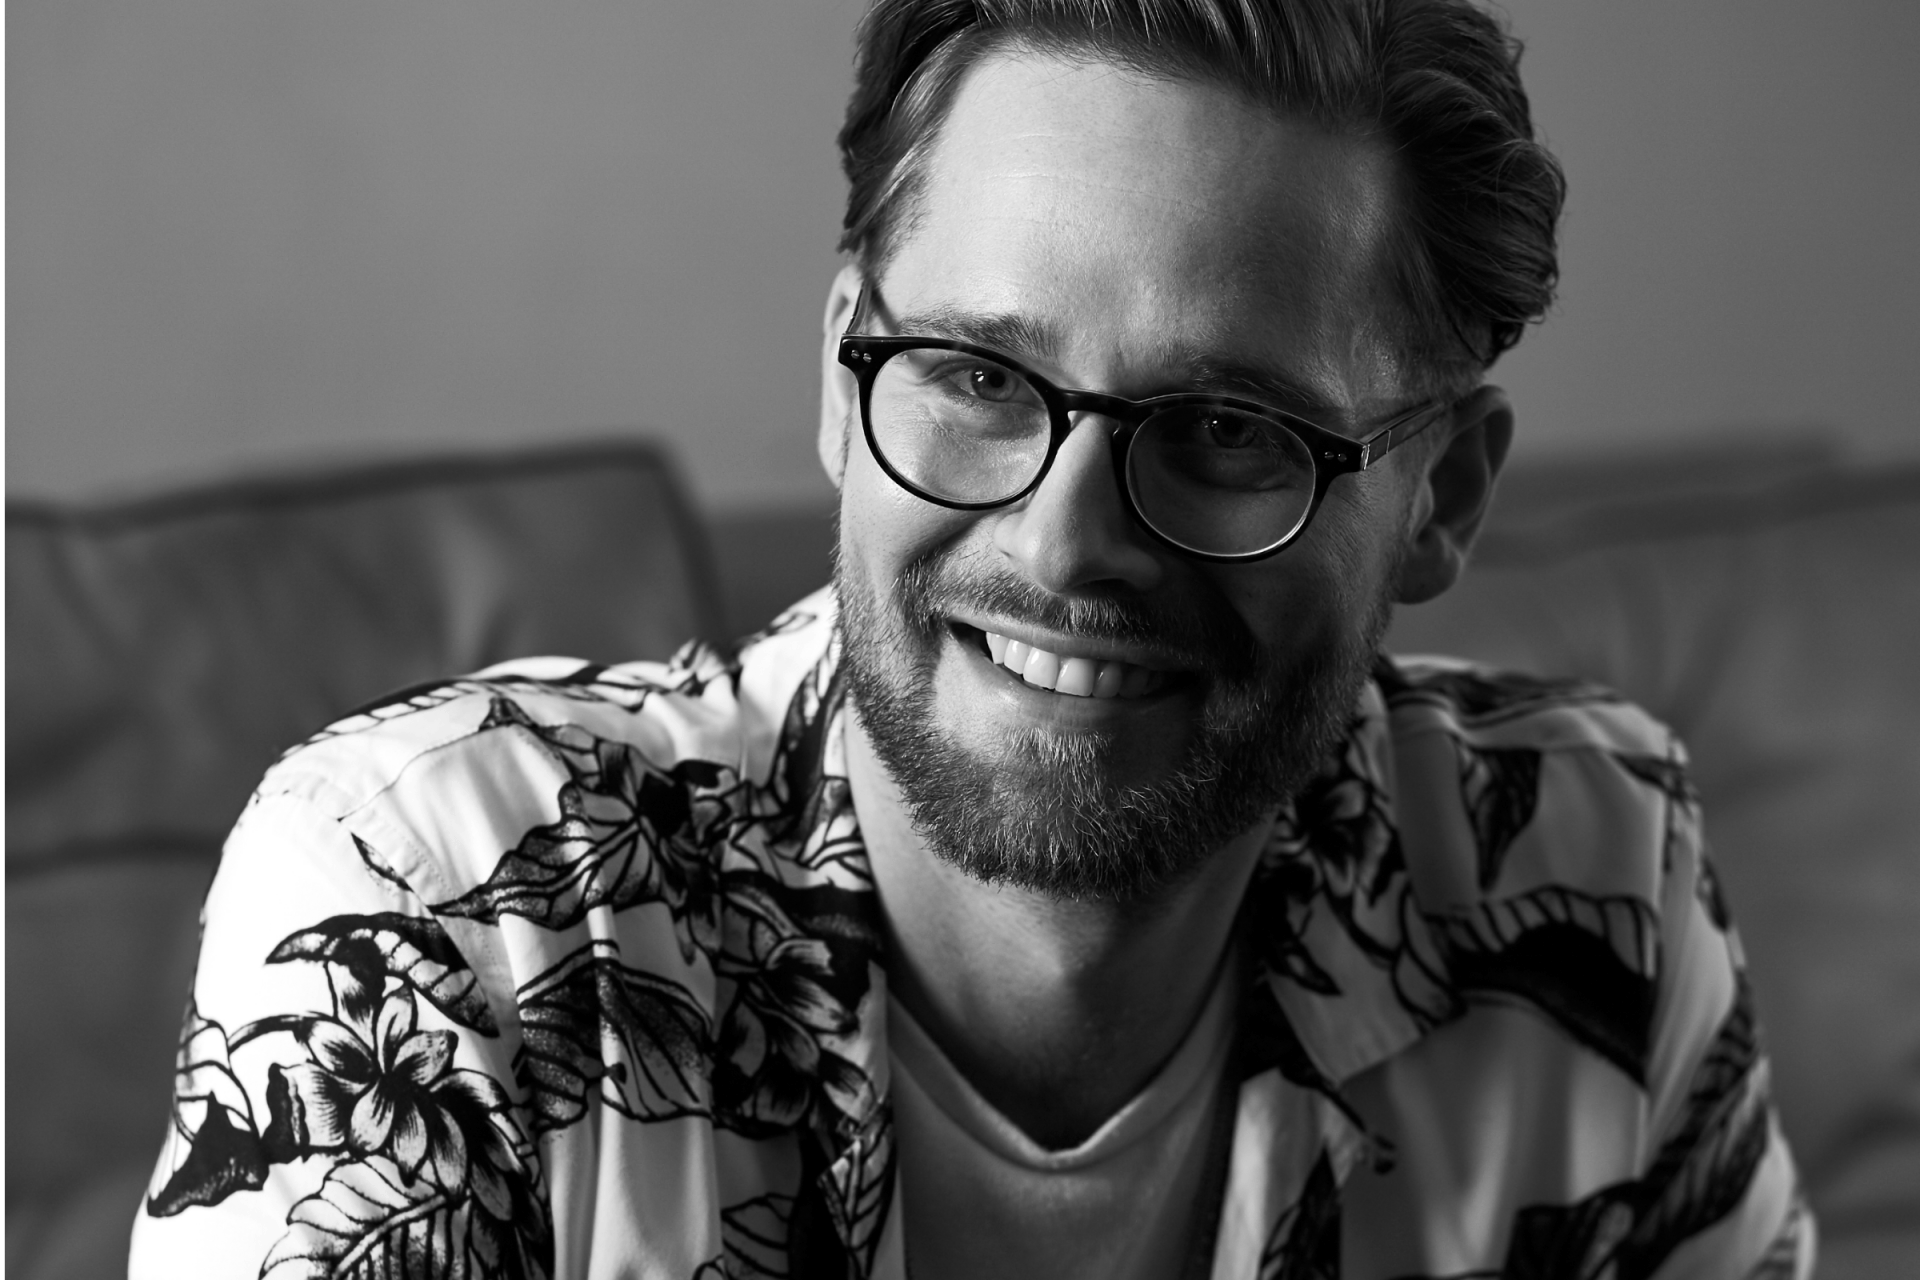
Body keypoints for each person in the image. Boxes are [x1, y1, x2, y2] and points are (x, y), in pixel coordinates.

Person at [129, 1, 1813, 1277]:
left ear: (1442, 499)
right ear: (838, 377)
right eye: (980, 378)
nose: (1065, 541)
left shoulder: (1591, 872)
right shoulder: (431, 904)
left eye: (1229, 430)